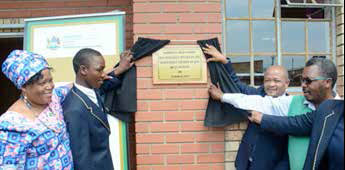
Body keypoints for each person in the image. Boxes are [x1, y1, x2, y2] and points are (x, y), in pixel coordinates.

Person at [209, 56, 341, 170]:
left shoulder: (340, 114)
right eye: (302, 80)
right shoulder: (292, 102)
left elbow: (293, 124)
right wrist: (222, 96)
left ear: (327, 82)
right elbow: (255, 101)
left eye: (309, 81)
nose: (303, 85)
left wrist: (261, 118)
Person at [203, 44, 290, 170]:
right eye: (267, 80)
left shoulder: (292, 108)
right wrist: (224, 61)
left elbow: (289, 151)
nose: (271, 84)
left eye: (276, 81)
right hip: (245, 162)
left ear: (287, 83)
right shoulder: (258, 95)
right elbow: (237, 85)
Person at [0, 50, 73, 169]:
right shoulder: (12, 124)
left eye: (50, 80)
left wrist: (108, 73)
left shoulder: (52, 100)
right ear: (24, 86)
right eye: (42, 83)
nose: (50, 86)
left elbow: (73, 86)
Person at [62, 48, 133, 170]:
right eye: (99, 70)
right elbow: (81, 158)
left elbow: (109, 82)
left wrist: (120, 69)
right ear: (83, 70)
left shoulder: (93, 90)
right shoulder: (75, 110)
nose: (104, 74)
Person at [248, 99, 344, 170]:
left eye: (308, 80)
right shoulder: (330, 109)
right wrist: (262, 118)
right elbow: (297, 123)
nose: (303, 85)